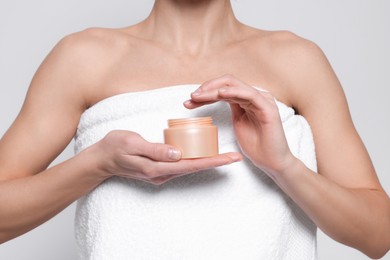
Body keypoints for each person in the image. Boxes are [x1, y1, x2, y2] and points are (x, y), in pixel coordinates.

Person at [0, 0, 389, 259]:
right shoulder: (83, 57)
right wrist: (97, 165)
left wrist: (284, 166)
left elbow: (377, 236)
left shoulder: (296, 60)